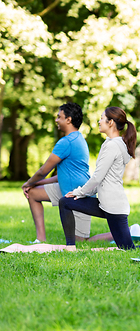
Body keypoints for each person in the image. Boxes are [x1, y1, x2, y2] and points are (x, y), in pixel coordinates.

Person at [58, 107, 136, 250]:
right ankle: (70, 247)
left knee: (127, 248)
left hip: (113, 207)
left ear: (111, 122)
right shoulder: (111, 143)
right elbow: (100, 179)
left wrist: (79, 192)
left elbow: (97, 177)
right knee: (65, 202)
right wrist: (80, 194)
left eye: (101, 118)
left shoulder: (113, 145)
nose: (99, 121)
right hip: (106, 203)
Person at [22, 102, 93, 243]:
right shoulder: (78, 138)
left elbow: (43, 170)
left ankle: (127, 230)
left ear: (68, 119)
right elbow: (60, 176)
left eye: (59, 117)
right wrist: (34, 185)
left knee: (82, 242)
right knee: (33, 193)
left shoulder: (67, 142)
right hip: (65, 189)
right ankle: (40, 239)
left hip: (79, 194)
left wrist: (28, 182)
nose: (56, 120)